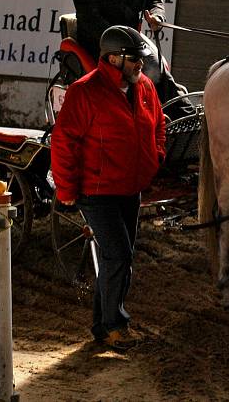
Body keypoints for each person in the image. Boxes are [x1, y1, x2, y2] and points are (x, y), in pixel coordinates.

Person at [51, 25, 166, 351]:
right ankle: (115, 325)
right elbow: (63, 142)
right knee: (118, 256)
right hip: (97, 191)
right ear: (112, 58)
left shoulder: (143, 87)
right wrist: (66, 190)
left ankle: (102, 326)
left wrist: (155, 157)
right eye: (134, 60)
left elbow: (159, 124)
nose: (140, 65)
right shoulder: (84, 92)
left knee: (116, 257)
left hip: (131, 187)